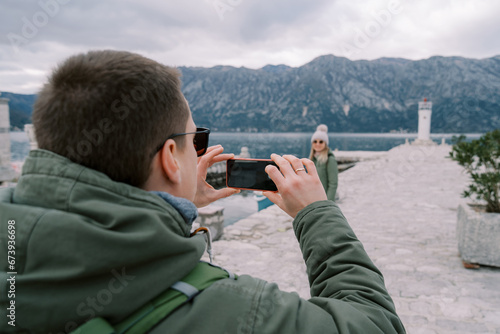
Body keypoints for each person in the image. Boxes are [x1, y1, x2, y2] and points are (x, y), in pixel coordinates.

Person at [0, 50, 405, 334]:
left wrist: (174, 207)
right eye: (196, 139)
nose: (201, 150)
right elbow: (375, 324)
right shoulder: (237, 312)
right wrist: (316, 212)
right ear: (171, 158)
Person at [309, 124, 339, 201]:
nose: (317, 144)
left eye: (321, 141)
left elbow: (333, 184)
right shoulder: (312, 159)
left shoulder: (330, 159)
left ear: (325, 144)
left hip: (324, 200)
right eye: (315, 141)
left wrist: (328, 203)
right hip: (312, 199)